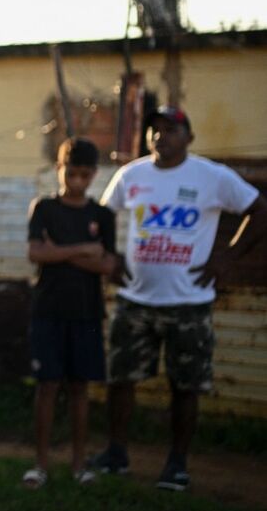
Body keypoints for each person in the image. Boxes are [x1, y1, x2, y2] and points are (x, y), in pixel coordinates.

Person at [89, 106, 267, 491]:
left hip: (189, 303)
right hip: (135, 300)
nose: (160, 136)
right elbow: (103, 217)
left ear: (189, 137)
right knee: (121, 380)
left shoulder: (212, 176)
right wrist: (111, 257)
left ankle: (177, 465)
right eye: (155, 130)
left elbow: (258, 210)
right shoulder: (131, 174)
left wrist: (227, 258)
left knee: (185, 386)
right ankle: (116, 454)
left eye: (170, 130)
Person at [21, 138, 116, 489]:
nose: (76, 180)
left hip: (87, 313)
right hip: (48, 310)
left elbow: (108, 264)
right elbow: (35, 254)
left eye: (84, 174)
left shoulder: (102, 215)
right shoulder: (43, 208)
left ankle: (79, 465)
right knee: (47, 387)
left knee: (79, 389)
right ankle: (40, 464)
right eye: (70, 172)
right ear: (59, 169)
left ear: (93, 175)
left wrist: (58, 250)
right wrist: (84, 251)